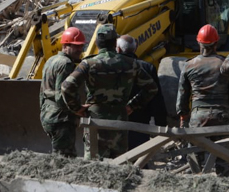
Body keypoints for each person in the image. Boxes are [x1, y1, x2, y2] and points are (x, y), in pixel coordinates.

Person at [61, 25, 158, 159]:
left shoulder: (88, 63)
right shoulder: (131, 63)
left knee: (94, 166)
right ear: (115, 43)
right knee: (119, 164)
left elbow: (67, 86)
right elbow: (151, 88)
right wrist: (132, 105)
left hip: (95, 121)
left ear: (96, 43)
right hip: (120, 121)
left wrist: (77, 108)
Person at [39, 27, 86, 157]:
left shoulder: (50, 60)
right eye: (76, 46)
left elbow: (42, 91)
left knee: (60, 155)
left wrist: (43, 111)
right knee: (64, 159)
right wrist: (77, 110)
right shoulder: (66, 64)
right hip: (61, 119)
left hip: (48, 115)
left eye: (81, 46)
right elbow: (62, 94)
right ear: (65, 46)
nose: (80, 50)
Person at [116, 35, 167, 150]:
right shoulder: (147, 67)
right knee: (139, 157)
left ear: (118, 49)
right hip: (140, 124)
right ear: (136, 48)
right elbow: (156, 98)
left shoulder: (111, 67)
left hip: (114, 121)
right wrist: (161, 124)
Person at [176, 25, 229, 128]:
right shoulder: (225, 64)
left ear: (199, 42)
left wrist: (183, 117)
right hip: (221, 115)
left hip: (198, 116)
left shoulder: (189, 65)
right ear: (216, 43)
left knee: (197, 144)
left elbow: (182, 95)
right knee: (223, 144)